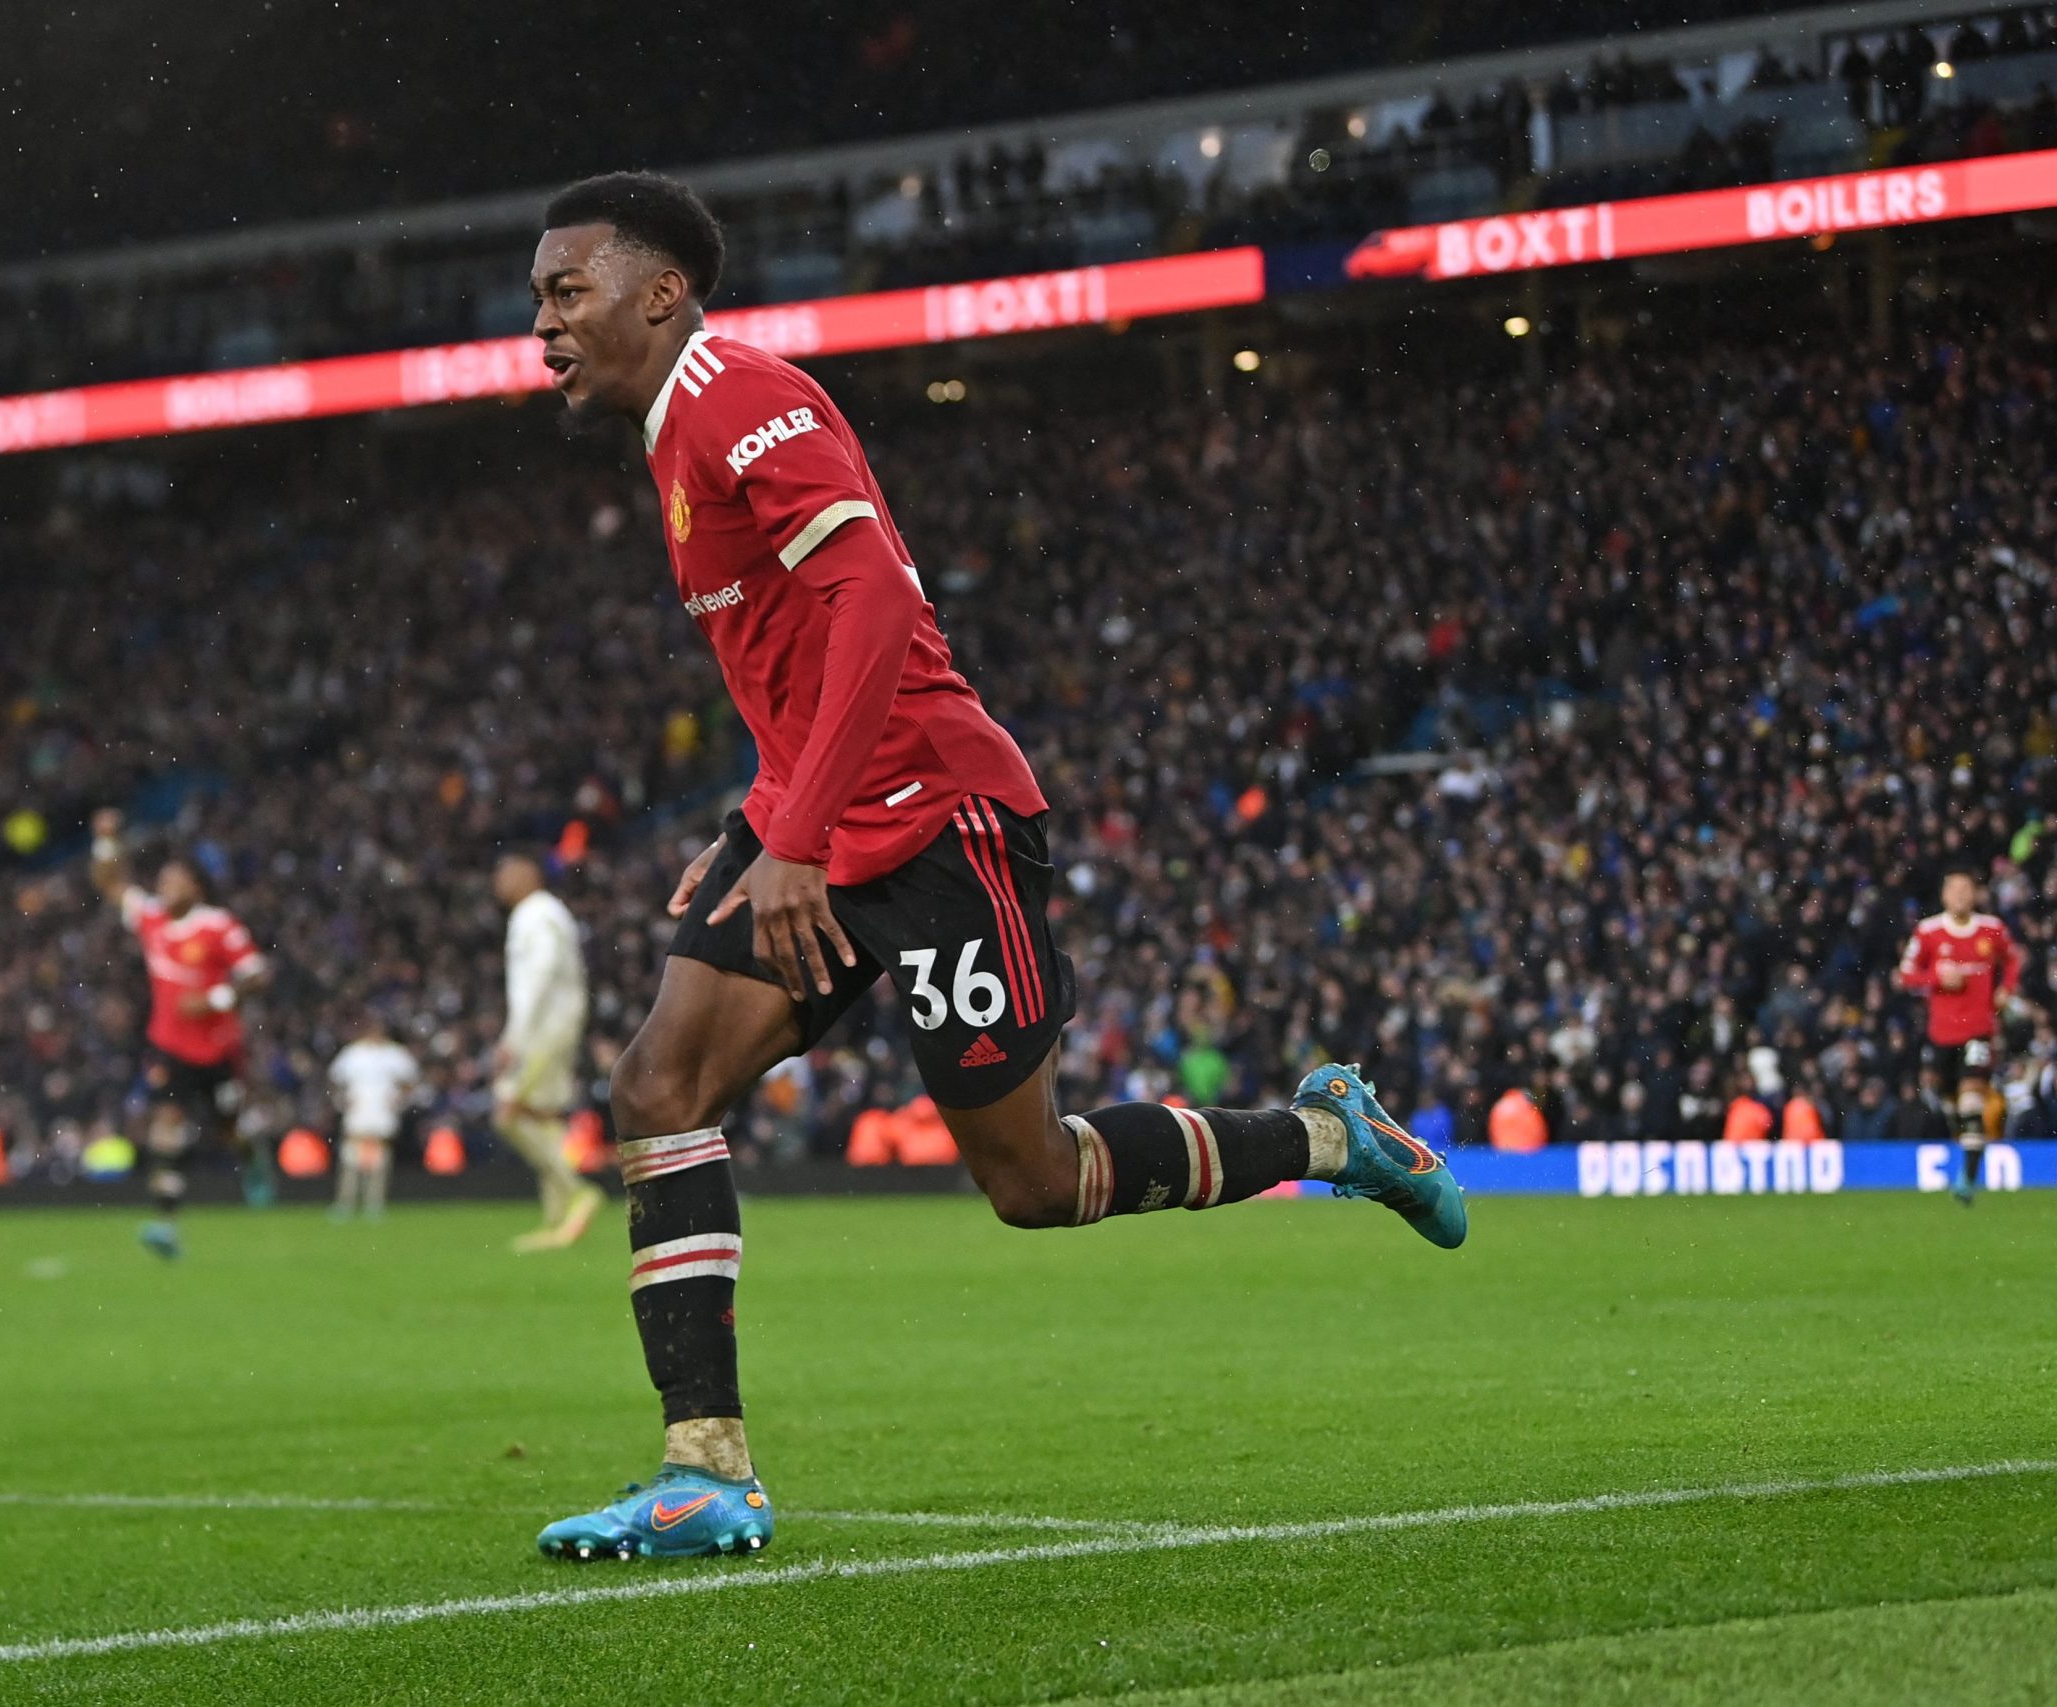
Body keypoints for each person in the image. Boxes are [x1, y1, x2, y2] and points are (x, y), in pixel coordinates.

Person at [522, 172, 1465, 1564]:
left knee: (1033, 1180)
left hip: (943, 826)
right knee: (659, 1084)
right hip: (824, 827)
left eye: (565, 291)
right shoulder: (673, 434)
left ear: (659, 292)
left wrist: (790, 836)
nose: (541, 323)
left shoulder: (738, 395)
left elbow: (880, 602)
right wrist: (757, 823)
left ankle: (1334, 1136)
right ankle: (704, 1468)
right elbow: (799, 666)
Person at [90, 807, 270, 1258]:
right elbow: (110, 884)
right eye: (161, 881)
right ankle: (166, 1223)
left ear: (195, 886)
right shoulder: (151, 920)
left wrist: (214, 1000)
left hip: (217, 1049)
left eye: (173, 881)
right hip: (169, 1046)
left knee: (227, 1129)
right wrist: (108, 842)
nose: (163, 887)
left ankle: (252, 1156)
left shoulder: (217, 925)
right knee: (166, 1126)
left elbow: (257, 974)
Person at [492, 853, 607, 1253]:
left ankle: (578, 1193)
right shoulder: (548, 913)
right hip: (556, 1025)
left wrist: (514, 1039)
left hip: (543, 1029)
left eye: (506, 872)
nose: (498, 882)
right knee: (542, 1117)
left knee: (509, 1113)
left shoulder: (535, 914)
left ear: (529, 874)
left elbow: (537, 978)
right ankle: (559, 1219)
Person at [1898, 870, 2023, 1204]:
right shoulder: (1928, 932)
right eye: (1954, 889)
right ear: (1944, 896)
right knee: (1950, 1102)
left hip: (1978, 1031)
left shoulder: (1991, 929)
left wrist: (2006, 990)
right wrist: (1937, 977)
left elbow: (2013, 960)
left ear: (1975, 894)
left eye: (1966, 889)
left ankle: (1967, 1178)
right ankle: (1968, 1157)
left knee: (1971, 1101)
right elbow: (1907, 975)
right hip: (1941, 1034)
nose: (1960, 895)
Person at [327, 1015, 422, 1222]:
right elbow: (334, 1079)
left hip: (381, 1112)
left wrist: (399, 1099)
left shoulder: (394, 1054)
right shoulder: (353, 1053)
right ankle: (346, 1202)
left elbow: (411, 1079)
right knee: (351, 1157)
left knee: (379, 1159)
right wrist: (342, 1101)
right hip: (359, 1111)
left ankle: (374, 1203)